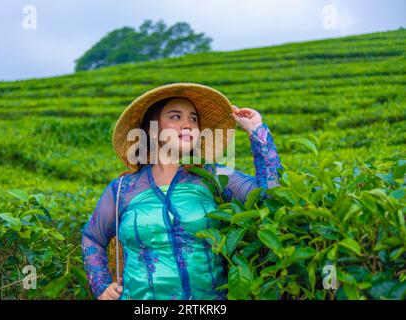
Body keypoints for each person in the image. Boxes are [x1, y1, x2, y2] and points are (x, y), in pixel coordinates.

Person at [81, 83, 283, 300]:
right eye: (176, 117)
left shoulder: (213, 178)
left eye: (193, 119)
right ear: (152, 129)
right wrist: (101, 286)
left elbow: (270, 196)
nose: (188, 124)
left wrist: (256, 131)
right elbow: (92, 237)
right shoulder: (123, 189)